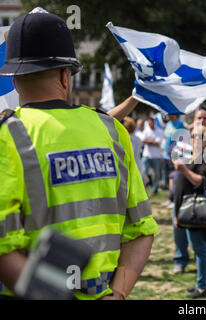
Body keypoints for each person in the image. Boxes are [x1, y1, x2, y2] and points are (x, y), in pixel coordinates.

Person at [0, 11, 158, 300]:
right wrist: (119, 293)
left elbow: (3, 247)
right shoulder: (111, 130)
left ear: (13, 78)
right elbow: (142, 230)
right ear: (66, 74)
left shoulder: (7, 136)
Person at [172, 124, 206, 298]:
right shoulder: (195, 157)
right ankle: (203, 284)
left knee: (200, 249)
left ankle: (202, 287)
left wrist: (183, 170)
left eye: (200, 136)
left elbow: (200, 182)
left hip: (199, 212)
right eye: (193, 136)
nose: (195, 139)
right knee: (197, 248)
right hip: (189, 211)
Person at [141, 116, 164, 194]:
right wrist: (152, 142)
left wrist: (148, 141)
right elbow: (143, 141)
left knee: (156, 174)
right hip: (146, 155)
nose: (150, 124)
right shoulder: (146, 131)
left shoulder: (159, 131)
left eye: (151, 122)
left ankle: (154, 189)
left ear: (154, 122)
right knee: (144, 172)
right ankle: (143, 189)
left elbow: (158, 143)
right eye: (148, 123)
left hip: (156, 156)